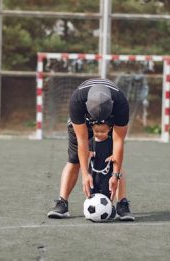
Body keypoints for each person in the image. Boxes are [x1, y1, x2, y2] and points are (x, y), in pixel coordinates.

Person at [47, 78, 134, 221]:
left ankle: (122, 204)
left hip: (109, 128)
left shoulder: (120, 103)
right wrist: (85, 174)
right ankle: (62, 202)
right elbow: (82, 140)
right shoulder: (77, 101)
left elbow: (118, 141)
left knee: (113, 160)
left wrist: (116, 175)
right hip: (83, 124)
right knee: (74, 160)